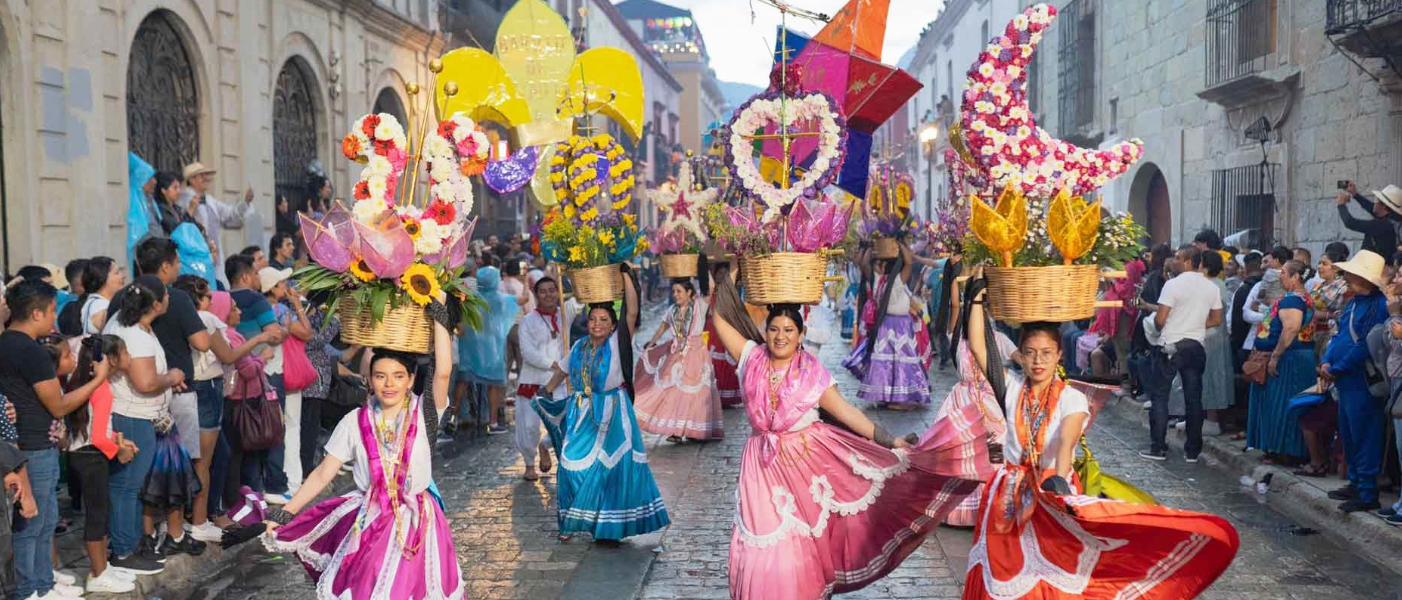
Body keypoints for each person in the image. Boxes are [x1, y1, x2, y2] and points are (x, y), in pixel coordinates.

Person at [705, 264, 990, 600]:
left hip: (803, 472)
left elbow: (850, 414)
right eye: (774, 329)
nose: (780, 336)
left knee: (792, 549)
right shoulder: (751, 359)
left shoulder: (813, 374)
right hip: (759, 472)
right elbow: (720, 317)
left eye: (788, 330)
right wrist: (739, 269)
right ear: (764, 332)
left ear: (800, 334)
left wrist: (890, 440)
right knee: (758, 543)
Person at [960, 275, 1239, 600]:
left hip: (1053, 489)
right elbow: (979, 347)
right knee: (1000, 573)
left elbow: (1066, 443)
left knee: (1050, 576)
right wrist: (976, 301)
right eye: (1031, 353)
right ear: (1020, 355)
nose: (1038, 361)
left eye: (1046, 353)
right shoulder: (1011, 389)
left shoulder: (1071, 399)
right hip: (1006, 494)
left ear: (1059, 356)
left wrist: (1059, 484)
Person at [261, 350, 465, 600]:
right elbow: (323, 473)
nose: (389, 384)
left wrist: (442, 316)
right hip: (371, 521)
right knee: (366, 590)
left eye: (398, 376)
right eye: (380, 376)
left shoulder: (424, 415)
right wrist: (286, 512)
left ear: (411, 380)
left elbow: (443, 373)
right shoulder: (354, 422)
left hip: (417, 524)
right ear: (369, 380)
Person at [531, 272, 670, 543]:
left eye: (603, 320)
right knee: (570, 465)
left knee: (609, 470)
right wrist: (546, 392)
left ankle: (608, 526)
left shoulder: (619, 344)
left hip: (614, 413)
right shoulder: (580, 345)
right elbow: (562, 370)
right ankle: (572, 520)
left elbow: (631, 313)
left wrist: (627, 276)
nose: (596, 324)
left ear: (612, 324)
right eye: (593, 319)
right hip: (582, 412)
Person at [1, 279, 111, 600]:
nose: (54, 318)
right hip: (33, 446)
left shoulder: (6, 341)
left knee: (45, 519)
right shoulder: (31, 351)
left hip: (29, 442)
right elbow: (59, 404)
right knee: (31, 524)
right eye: (51, 311)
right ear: (36, 313)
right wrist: (98, 380)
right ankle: (29, 590)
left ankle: (43, 580)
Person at [103, 277, 192, 573]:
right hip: (133, 416)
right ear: (155, 304)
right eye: (166, 295)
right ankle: (124, 551)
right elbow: (145, 382)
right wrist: (173, 376)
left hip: (136, 413)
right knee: (127, 486)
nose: (169, 298)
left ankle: (129, 544)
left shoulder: (125, 321)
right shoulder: (135, 335)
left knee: (129, 485)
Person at [64, 335, 146, 592]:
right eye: (124, 352)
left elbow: (96, 428)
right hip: (91, 455)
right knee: (98, 515)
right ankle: (98, 574)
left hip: (85, 453)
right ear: (110, 360)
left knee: (100, 512)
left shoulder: (87, 383)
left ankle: (103, 569)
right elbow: (98, 437)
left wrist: (119, 441)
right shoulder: (102, 389)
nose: (129, 357)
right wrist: (118, 451)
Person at [1320, 250, 1391, 512]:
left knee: (1365, 434)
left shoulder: (1378, 305)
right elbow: (1340, 336)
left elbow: (1365, 346)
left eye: (1351, 274)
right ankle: (1355, 482)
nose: (1346, 277)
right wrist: (1328, 360)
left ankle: (1367, 491)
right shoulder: (1354, 302)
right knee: (1349, 433)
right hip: (1346, 378)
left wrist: (1336, 367)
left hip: (1361, 379)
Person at [225, 255, 290, 504]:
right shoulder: (255, 299)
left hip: (229, 380)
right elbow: (273, 335)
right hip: (258, 375)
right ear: (244, 276)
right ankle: (268, 488)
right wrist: (284, 330)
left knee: (238, 440)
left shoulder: (220, 299)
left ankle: (244, 494)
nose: (257, 278)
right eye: (254, 273)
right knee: (268, 430)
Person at [634, 278, 722, 442]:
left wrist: (702, 261)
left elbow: (710, 286)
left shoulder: (699, 306)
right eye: (673, 291)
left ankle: (694, 430)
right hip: (676, 354)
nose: (675, 295)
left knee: (696, 394)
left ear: (689, 292)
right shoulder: (672, 310)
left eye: (679, 291)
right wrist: (651, 345)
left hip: (696, 353)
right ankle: (675, 430)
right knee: (673, 392)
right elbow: (661, 329)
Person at [1245, 260, 1315, 464]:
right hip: (1292, 356)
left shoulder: (1293, 301)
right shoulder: (1298, 298)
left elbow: (1291, 328)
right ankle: (1280, 449)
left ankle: (1286, 451)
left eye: (1283, 272)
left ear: (1296, 277)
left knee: (1281, 404)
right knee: (1279, 403)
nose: (1280, 276)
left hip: (1289, 359)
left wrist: (1275, 356)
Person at [845, 244, 930, 409]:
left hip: (891, 325)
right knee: (896, 362)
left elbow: (865, 264)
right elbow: (909, 263)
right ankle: (895, 398)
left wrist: (871, 245)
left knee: (893, 362)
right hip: (896, 325)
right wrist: (900, 243)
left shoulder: (885, 281)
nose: (878, 267)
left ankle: (897, 398)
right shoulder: (889, 281)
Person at [457, 266, 525, 436]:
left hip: (470, 347)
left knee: (463, 381)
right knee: (494, 385)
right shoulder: (501, 299)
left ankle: (451, 418)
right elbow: (524, 299)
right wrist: (526, 281)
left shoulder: (470, 297)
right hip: (493, 348)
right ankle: (492, 422)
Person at [514, 276, 567, 481]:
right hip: (533, 380)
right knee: (528, 426)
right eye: (543, 291)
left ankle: (546, 446)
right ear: (536, 296)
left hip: (562, 381)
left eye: (552, 290)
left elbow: (580, 301)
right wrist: (554, 365)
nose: (548, 295)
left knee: (564, 422)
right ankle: (529, 463)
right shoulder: (528, 321)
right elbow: (527, 352)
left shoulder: (566, 315)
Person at [1336, 182, 1402, 257]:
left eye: (1377, 199)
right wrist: (1355, 194)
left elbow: (1350, 222)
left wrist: (1341, 204)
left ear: (1384, 206)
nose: (1374, 202)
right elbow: (1372, 208)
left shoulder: (1382, 225)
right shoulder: (1390, 220)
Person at [79, 257, 126, 335]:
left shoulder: (98, 303)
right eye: (117, 273)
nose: (123, 276)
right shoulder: (99, 305)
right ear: (102, 278)